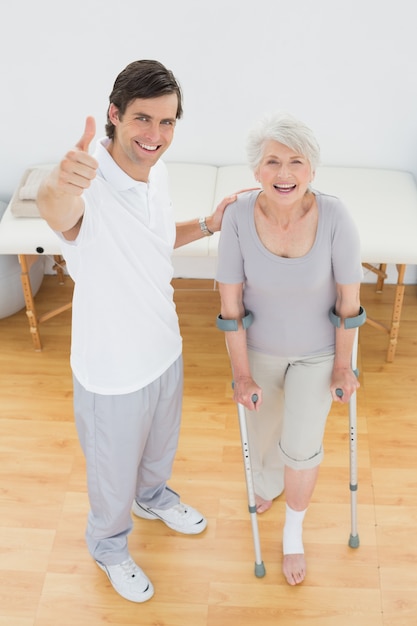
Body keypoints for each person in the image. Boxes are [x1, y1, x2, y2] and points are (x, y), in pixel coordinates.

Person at [37, 59, 237, 603]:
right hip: (112, 370)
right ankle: (108, 546)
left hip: (163, 347)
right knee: (111, 474)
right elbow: (60, 213)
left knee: (156, 454)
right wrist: (58, 185)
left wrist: (208, 225)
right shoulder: (89, 182)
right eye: (143, 120)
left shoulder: (156, 169)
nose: (155, 135)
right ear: (114, 116)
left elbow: (151, 241)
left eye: (167, 122)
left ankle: (152, 497)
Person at [215, 112, 364, 586]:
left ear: (312, 171)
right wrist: (241, 375)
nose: (284, 173)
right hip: (259, 349)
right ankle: (266, 484)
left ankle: (293, 533)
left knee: (301, 445)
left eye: (296, 162)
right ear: (256, 171)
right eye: (272, 162)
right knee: (263, 437)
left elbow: (349, 303)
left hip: (318, 353)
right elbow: (231, 305)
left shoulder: (336, 216)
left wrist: (342, 368)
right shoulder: (238, 217)